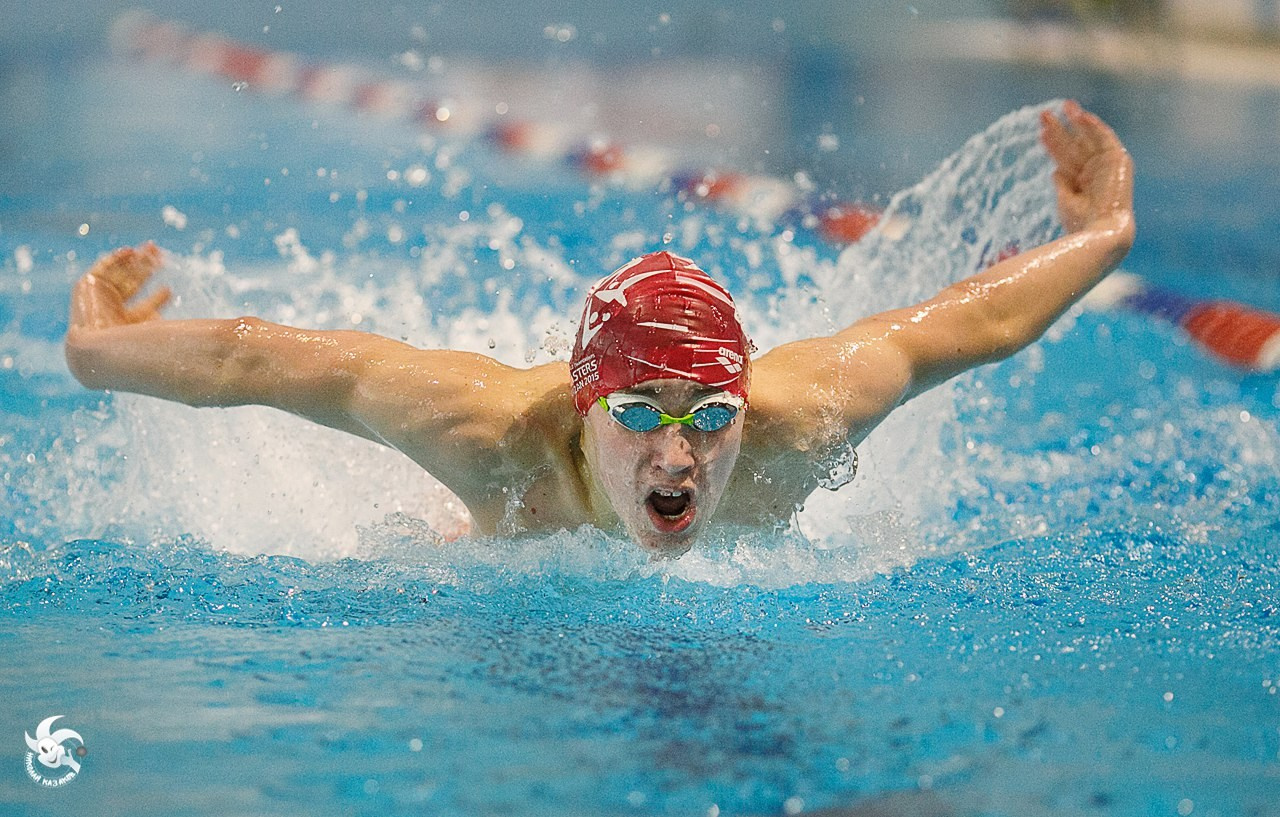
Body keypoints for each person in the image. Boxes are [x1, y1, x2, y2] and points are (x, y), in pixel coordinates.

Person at [65, 101, 1134, 556]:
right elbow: (258, 356)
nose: (678, 453)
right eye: (637, 410)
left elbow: (965, 322)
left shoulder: (797, 420)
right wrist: (91, 349)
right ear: (583, 404)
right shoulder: (486, 435)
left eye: (710, 412)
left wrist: (1102, 236)